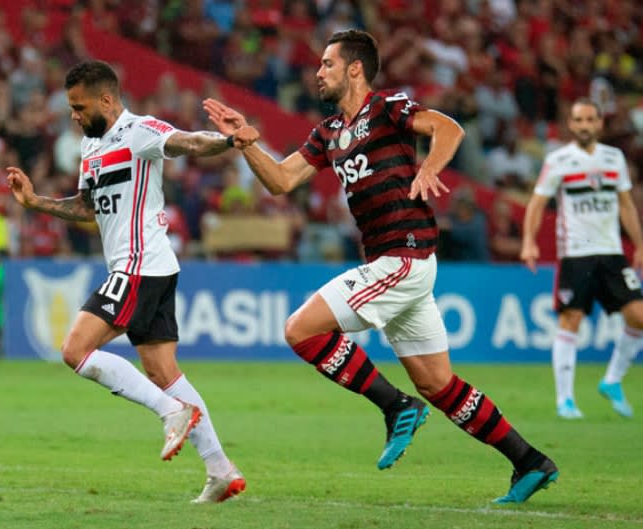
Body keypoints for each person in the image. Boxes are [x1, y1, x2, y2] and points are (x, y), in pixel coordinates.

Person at [203, 29, 558, 504]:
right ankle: (530, 462)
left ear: (354, 68)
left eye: (327, 63)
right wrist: (245, 143)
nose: (318, 71)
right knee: (438, 383)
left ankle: (395, 407)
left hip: (403, 258)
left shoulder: (389, 107)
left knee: (299, 330)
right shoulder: (328, 132)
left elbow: (450, 129)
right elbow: (283, 181)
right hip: (398, 264)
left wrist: (430, 165)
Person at [6, 60, 258, 503]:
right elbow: (87, 208)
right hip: (147, 267)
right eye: (71, 108)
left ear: (107, 99)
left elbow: (187, 142)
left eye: (80, 107)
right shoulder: (91, 148)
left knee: (75, 350)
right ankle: (221, 469)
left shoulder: (139, 130)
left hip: (139, 265)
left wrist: (230, 140)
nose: (74, 116)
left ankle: (171, 413)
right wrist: (36, 202)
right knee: (162, 371)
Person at [521, 99, 643, 419]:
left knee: (639, 317)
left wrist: (639, 244)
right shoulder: (559, 160)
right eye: (579, 120)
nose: (585, 125)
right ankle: (565, 400)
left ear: (600, 123)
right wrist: (529, 242)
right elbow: (536, 204)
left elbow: (626, 205)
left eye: (590, 119)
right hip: (576, 253)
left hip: (612, 252)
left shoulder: (613, 158)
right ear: (571, 125)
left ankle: (613, 380)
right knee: (570, 320)